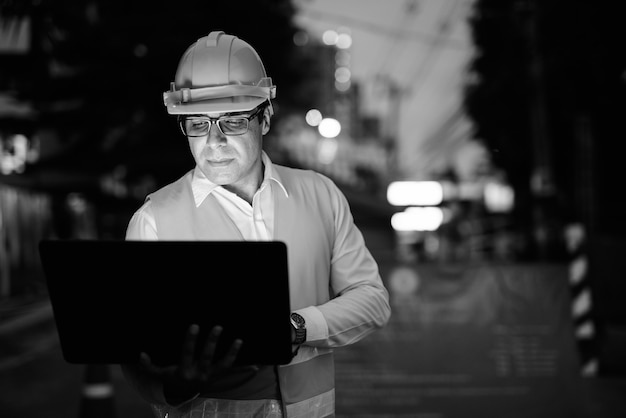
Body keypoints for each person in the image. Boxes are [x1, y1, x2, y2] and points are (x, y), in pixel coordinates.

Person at [121, 30, 391, 418]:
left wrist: (299, 327)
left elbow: (372, 299)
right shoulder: (154, 222)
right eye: (197, 124)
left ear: (265, 117)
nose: (213, 143)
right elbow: (135, 349)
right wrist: (179, 383)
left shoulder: (320, 195)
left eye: (231, 122)